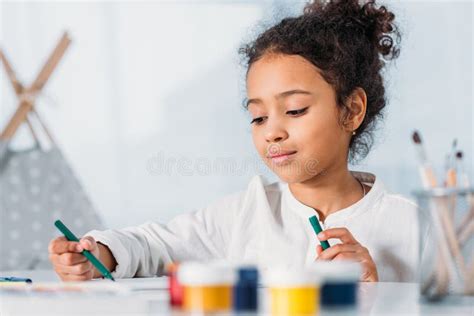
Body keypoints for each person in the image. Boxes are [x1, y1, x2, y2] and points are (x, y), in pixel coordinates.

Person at [49, 0, 420, 283]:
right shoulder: (247, 213)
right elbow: (155, 245)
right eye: (258, 117)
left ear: (351, 110)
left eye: (294, 110)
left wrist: (376, 289)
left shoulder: (411, 225)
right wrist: (99, 254)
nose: (271, 131)